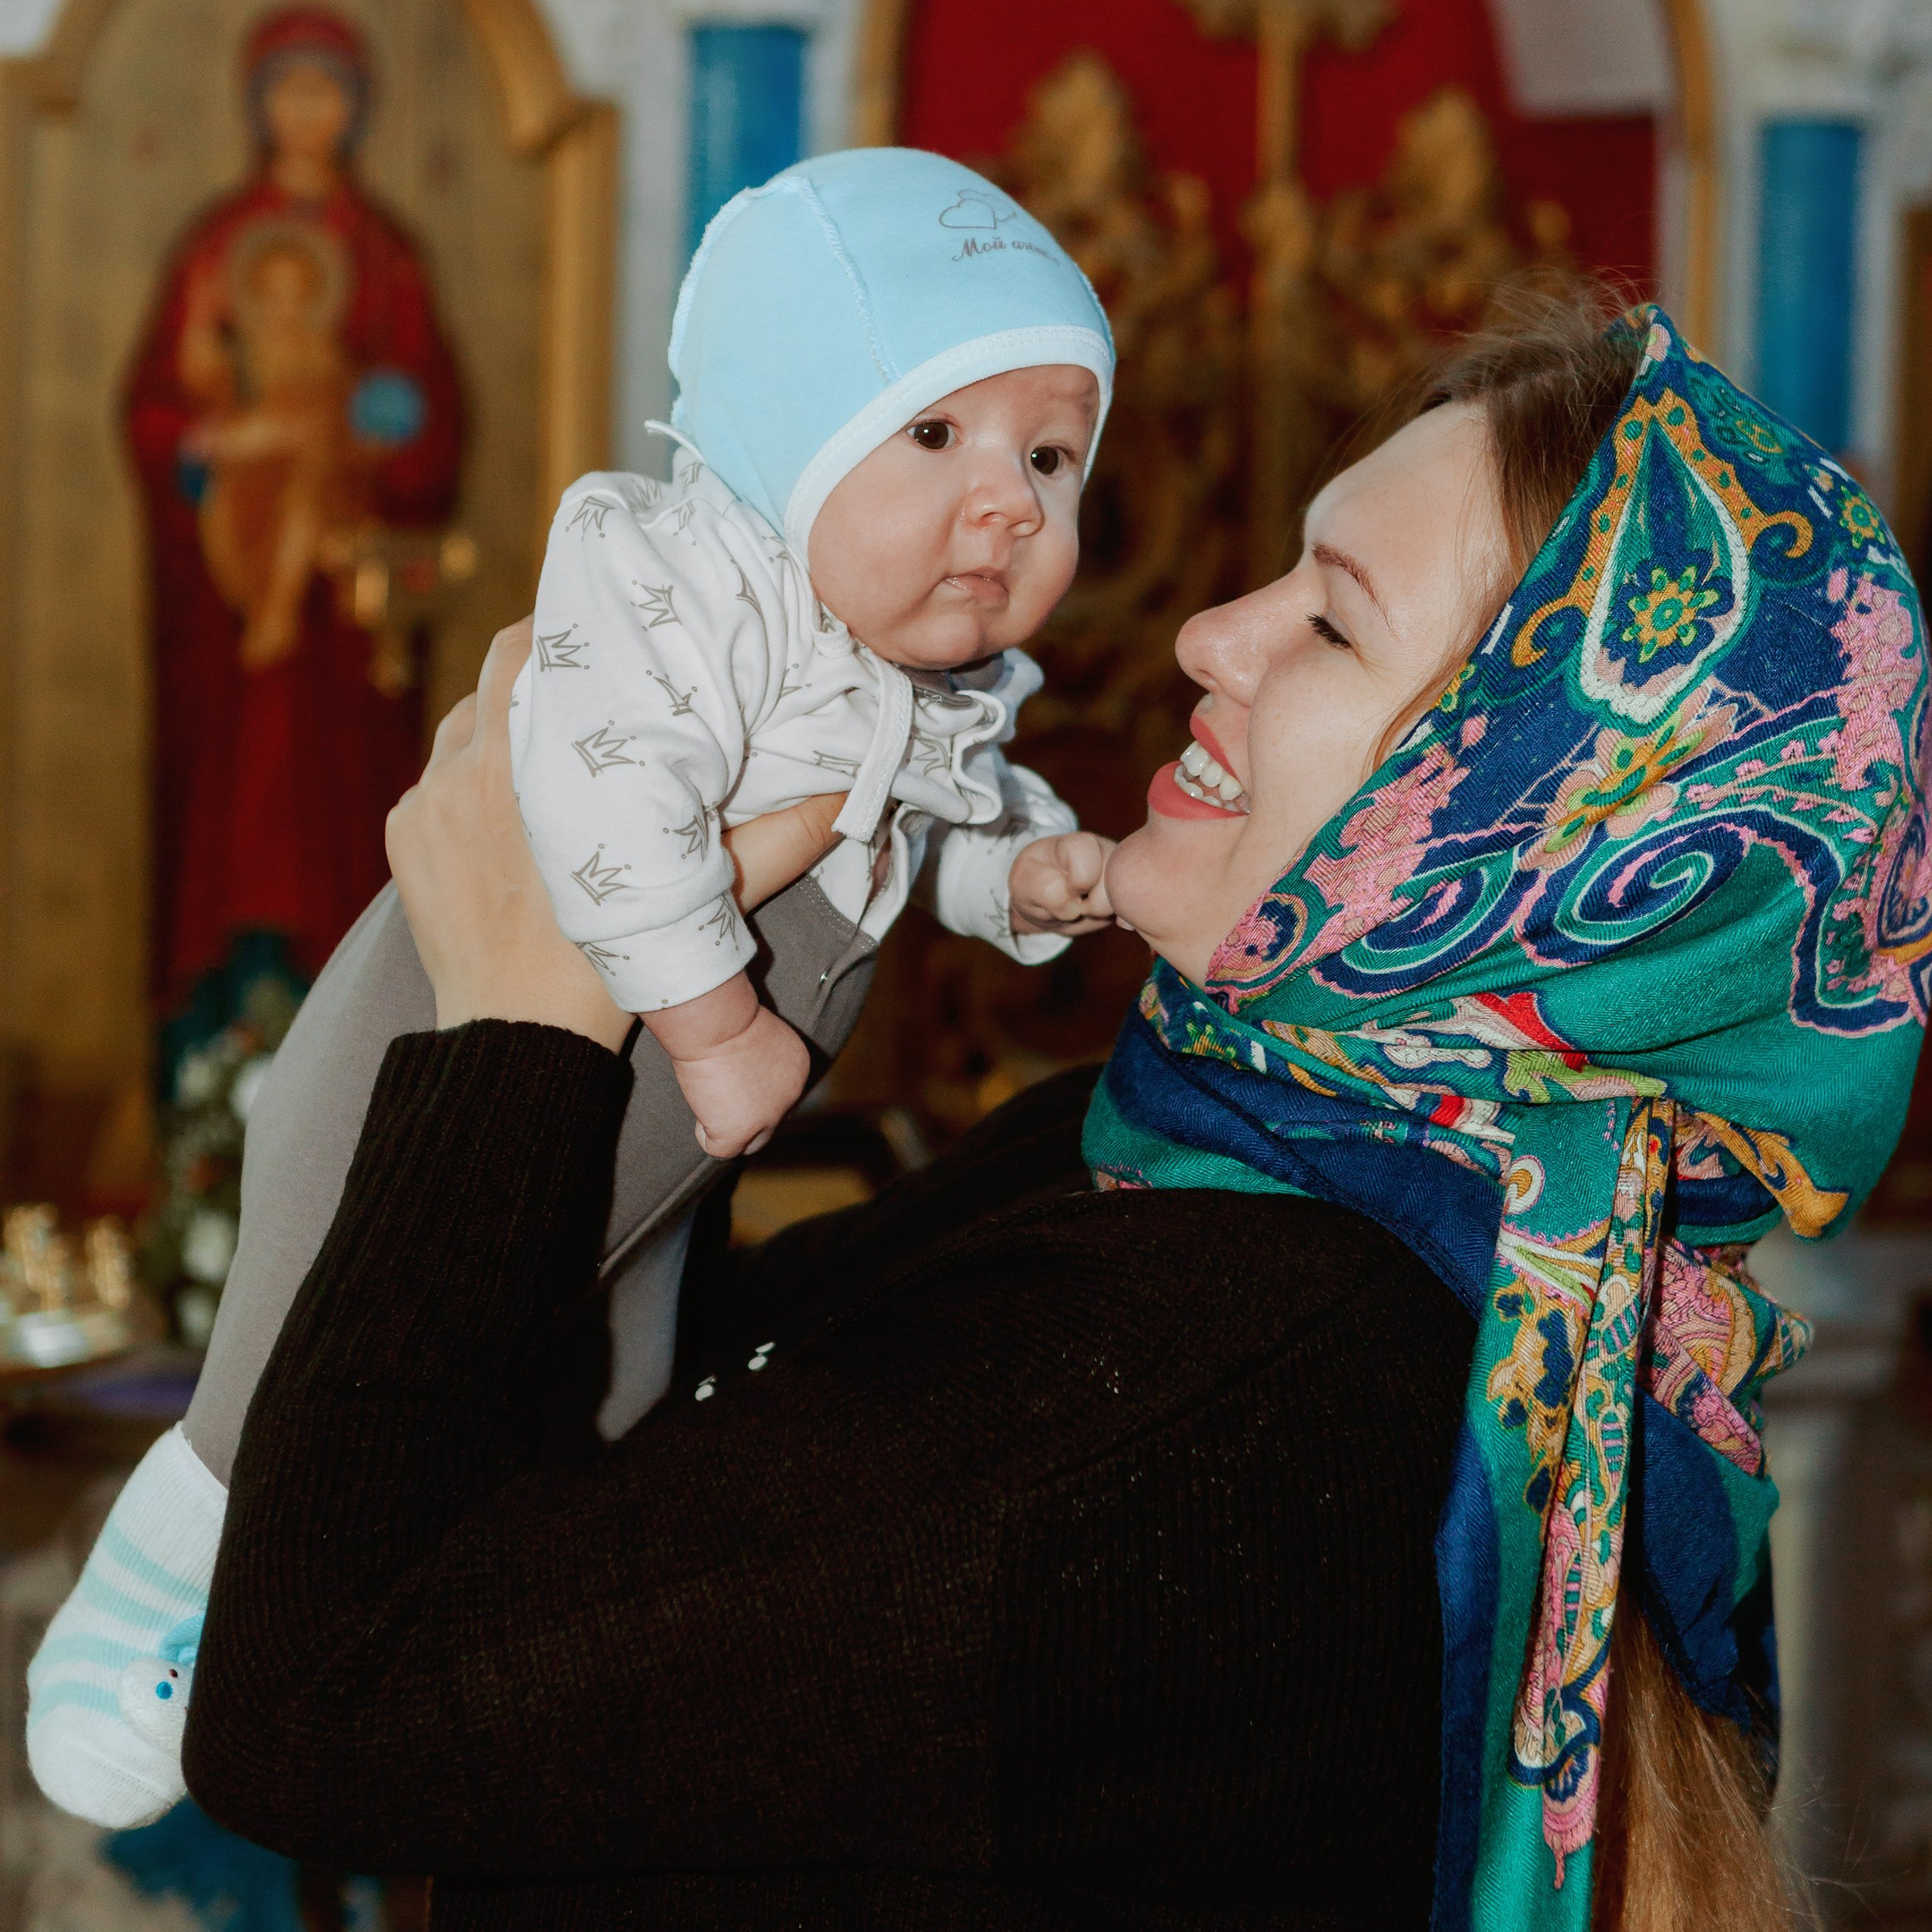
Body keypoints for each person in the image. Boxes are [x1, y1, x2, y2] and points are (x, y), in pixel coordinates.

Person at [175, 291, 1924, 1930]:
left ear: (1525, 831)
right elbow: (641, 1462)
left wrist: (522, 1015)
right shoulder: (1189, 1156)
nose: (1205, 633)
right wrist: (713, 922)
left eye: (1328, 622)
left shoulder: (1207, 1398)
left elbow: (320, 1707)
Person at [26, 146, 1120, 1830]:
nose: (1009, 503)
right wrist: (715, 1022)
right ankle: (165, 1569)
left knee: (603, 1400)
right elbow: (596, 810)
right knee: (310, 1321)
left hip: (669, 1147)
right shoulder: (680, 579)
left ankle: (454, 1597)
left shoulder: (926, 677)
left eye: (1050, 454)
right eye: (934, 435)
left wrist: (1018, 877)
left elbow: (926, 824)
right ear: (789, 427)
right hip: (466, 1043)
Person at [125, 6, 463, 1032]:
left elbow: (426, 417)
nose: (306, 111)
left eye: (327, 91)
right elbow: (158, 406)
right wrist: (210, 456)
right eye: (287, 89)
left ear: (354, 110)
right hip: (231, 607)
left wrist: (364, 437)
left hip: (338, 614)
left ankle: (351, 1022)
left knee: (335, 814)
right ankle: (213, 1034)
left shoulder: (383, 253)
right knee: (230, 820)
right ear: (258, 104)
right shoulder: (214, 247)